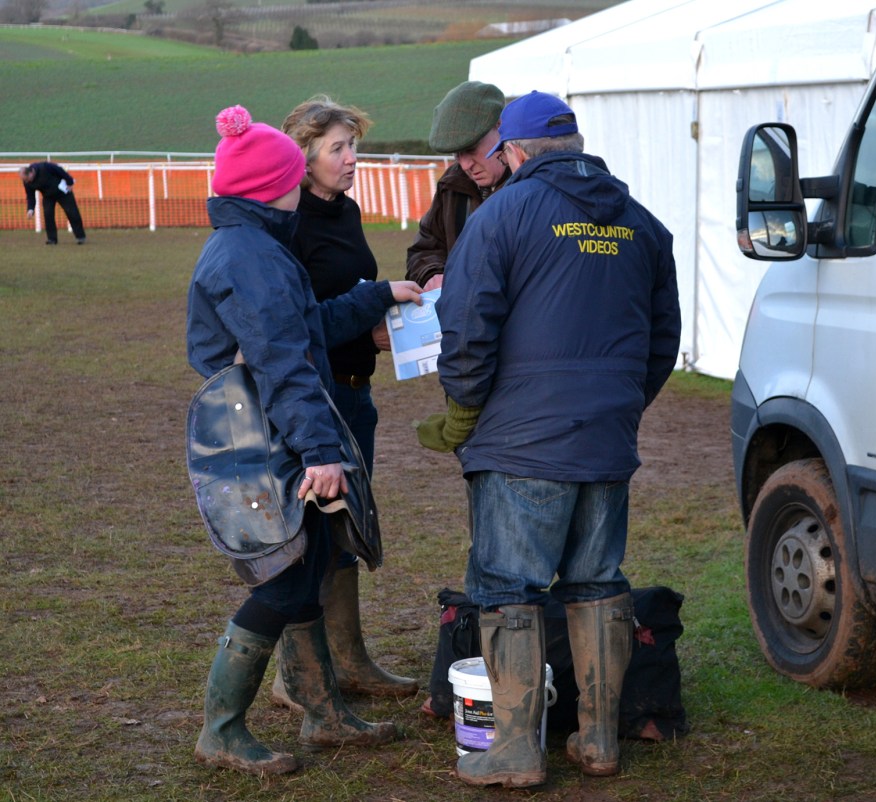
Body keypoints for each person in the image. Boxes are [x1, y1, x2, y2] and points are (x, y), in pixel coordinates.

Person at [417, 91, 681, 788]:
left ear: (515, 151)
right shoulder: (645, 226)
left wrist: (462, 412)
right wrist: (619, 409)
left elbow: (467, 331)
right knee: (597, 583)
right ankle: (597, 741)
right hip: (606, 440)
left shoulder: (502, 215)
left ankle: (515, 749)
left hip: (521, 444)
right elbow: (663, 342)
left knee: (509, 587)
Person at [186, 104, 423, 776]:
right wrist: (320, 453)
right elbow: (285, 365)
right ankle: (222, 728)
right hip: (269, 443)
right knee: (287, 582)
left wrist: (376, 296)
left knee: (311, 565)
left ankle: (324, 713)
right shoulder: (252, 258)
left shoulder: (255, 247)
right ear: (275, 187)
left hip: (276, 431)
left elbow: (307, 324)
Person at [272, 95, 420, 702]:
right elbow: (303, 325)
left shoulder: (347, 210)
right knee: (309, 536)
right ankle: (296, 679)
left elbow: (349, 303)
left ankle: (350, 661)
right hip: (316, 402)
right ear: (303, 154)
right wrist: (376, 301)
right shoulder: (289, 224)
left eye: (353, 144)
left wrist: (377, 331)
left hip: (358, 396)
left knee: (347, 531)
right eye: (338, 147)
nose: (351, 157)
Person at [405, 81, 510, 290]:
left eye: (471, 149)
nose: (465, 165)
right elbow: (424, 249)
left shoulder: (534, 186)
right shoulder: (452, 183)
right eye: (456, 154)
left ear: (500, 127)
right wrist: (431, 273)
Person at [19, 161, 87, 245]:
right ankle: (52, 239)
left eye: (26, 179)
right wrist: (30, 209)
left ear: (31, 173)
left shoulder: (44, 167)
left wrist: (69, 182)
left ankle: (80, 237)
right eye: (24, 180)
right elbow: (30, 196)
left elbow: (60, 170)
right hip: (48, 196)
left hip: (63, 192)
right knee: (48, 215)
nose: (26, 182)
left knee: (72, 213)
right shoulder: (27, 182)